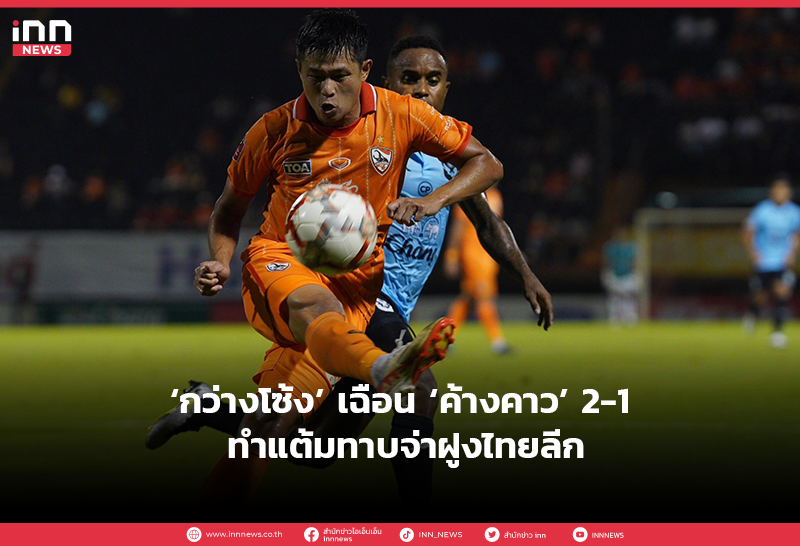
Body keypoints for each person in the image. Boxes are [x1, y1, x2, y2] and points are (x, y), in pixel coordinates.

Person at [147, 33, 553, 507]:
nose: (421, 89)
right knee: (419, 387)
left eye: (433, 80)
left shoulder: (448, 161)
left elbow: (487, 221)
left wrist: (526, 275)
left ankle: (208, 408)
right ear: (383, 82)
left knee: (315, 449)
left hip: (378, 306)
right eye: (409, 78)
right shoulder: (382, 137)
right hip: (364, 300)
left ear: (447, 88)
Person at [445, 186, 511, 353]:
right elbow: (458, 226)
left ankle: (446, 338)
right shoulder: (468, 194)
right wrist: (452, 255)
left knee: (468, 297)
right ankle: (498, 342)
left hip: (489, 255)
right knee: (484, 297)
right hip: (473, 255)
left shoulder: (496, 196)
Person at [742, 177, 800, 349]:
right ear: (772, 192)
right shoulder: (762, 210)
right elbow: (748, 232)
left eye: (783, 190)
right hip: (764, 262)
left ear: (788, 193)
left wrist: (793, 253)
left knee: (782, 292)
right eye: (777, 190)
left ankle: (777, 332)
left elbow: (797, 234)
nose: (780, 193)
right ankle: (753, 314)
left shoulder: (794, 212)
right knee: (761, 296)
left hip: (782, 261)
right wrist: (753, 253)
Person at [601, 227, 639, 326]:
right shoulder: (611, 247)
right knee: (614, 298)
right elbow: (606, 261)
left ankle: (630, 318)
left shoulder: (631, 247)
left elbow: (635, 262)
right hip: (614, 275)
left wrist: (635, 275)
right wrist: (606, 274)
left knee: (628, 298)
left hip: (628, 276)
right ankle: (613, 319)